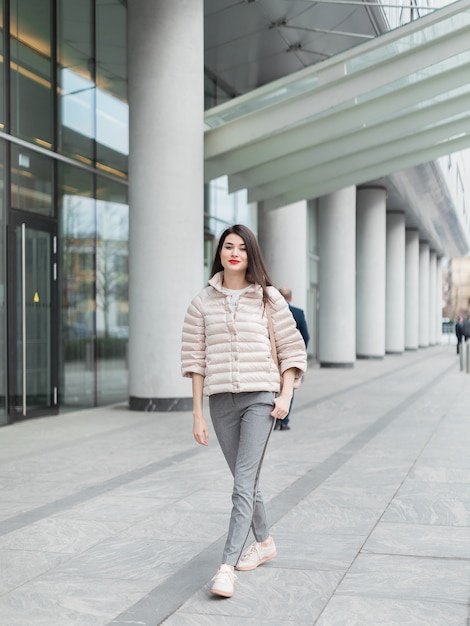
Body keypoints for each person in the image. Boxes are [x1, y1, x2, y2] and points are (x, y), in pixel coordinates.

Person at [181, 224, 307, 599]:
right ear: (219, 253)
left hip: (260, 398)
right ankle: (264, 541)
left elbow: (291, 349)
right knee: (245, 480)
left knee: (241, 483)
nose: (234, 252)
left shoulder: (268, 298)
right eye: (227, 246)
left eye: (241, 247)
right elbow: (195, 360)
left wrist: (284, 396)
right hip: (221, 402)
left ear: (251, 254)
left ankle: (226, 567)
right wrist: (197, 413)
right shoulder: (201, 301)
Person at [275, 287, 310, 430]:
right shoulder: (298, 313)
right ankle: (283, 420)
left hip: (272, 358)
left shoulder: (271, 311)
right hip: (291, 358)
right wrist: (300, 354)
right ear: (291, 298)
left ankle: (274, 418)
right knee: (288, 388)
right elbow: (306, 336)